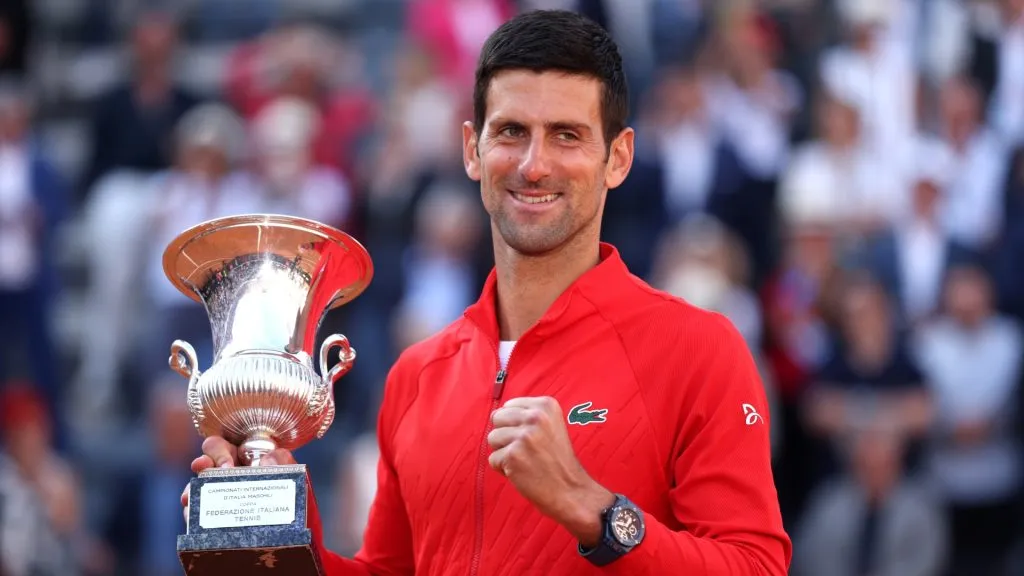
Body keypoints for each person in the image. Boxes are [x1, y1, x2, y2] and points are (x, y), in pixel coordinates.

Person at [183, 9, 791, 574]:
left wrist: (594, 511)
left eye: (567, 136)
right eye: (511, 131)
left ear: (619, 157)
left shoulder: (698, 349)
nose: (533, 164)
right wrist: (283, 538)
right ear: (472, 149)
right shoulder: (417, 375)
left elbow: (756, 565)